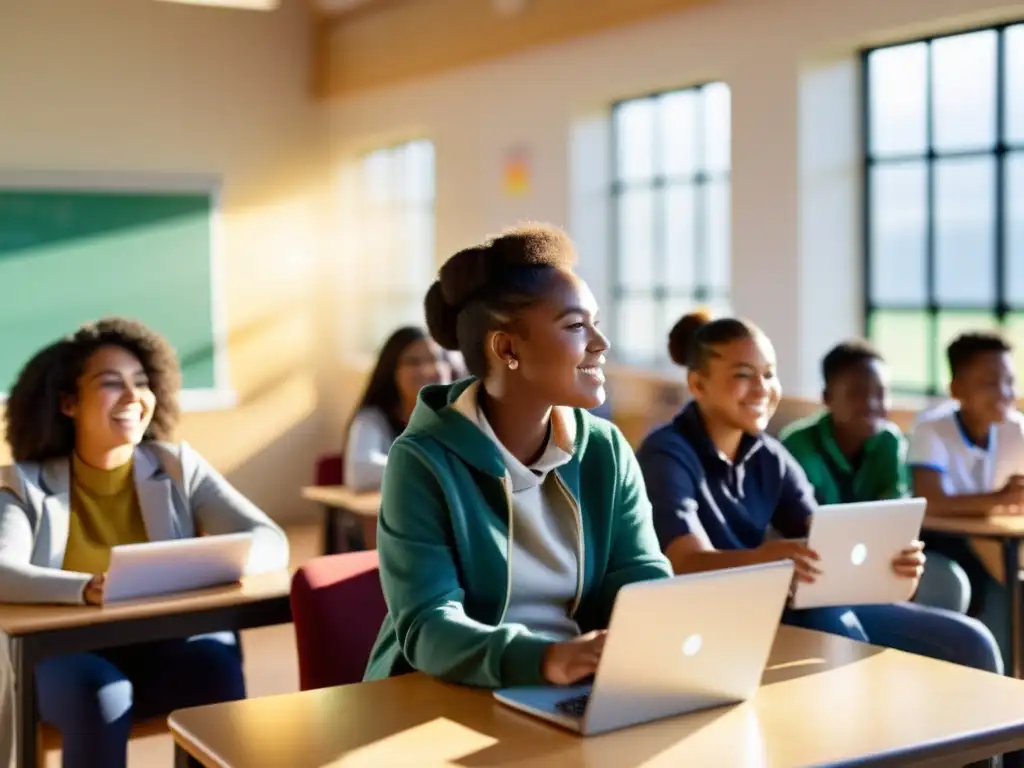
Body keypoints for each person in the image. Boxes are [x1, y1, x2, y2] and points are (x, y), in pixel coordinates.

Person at [363, 224, 672, 688]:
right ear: (507, 348)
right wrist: (545, 659)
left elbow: (639, 571)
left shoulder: (606, 449)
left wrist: (656, 630)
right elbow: (428, 625)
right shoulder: (423, 460)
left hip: (577, 683)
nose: (599, 344)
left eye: (596, 322)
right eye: (574, 326)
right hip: (444, 691)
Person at [635, 311, 1002, 674]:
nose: (762, 388)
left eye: (769, 374)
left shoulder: (769, 456)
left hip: (789, 602)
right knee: (843, 636)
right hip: (712, 622)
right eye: (743, 376)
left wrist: (888, 565)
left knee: (973, 642)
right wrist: (767, 559)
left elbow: (825, 537)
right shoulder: (666, 454)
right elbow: (684, 563)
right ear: (698, 385)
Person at [0, 318, 290, 768]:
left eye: (142, 383)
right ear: (68, 402)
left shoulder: (178, 467)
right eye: (112, 384)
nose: (134, 398)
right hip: (59, 657)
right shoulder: (23, 484)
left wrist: (212, 565)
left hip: (159, 644)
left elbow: (271, 540)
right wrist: (82, 588)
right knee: (101, 695)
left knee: (214, 669)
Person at [779, 340, 971, 613]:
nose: (871, 404)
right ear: (827, 397)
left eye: (881, 393)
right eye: (857, 393)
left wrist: (900, 552)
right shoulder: (797, 445)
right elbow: (807, 527)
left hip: (878, 563)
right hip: (819, 572)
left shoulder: (889, 441)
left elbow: (893, 519)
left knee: (949, 582)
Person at [909, 331, 1024, 662]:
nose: (1004, 393)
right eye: (990, 383)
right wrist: (998, 499)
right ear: (956, 390)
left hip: (996, 548)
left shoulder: (1015, 429)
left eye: (1009, 381)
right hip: (941, 543)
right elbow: (930, 501)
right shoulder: (932, 428)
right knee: (958, 587)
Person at [343, 326, 453, 492]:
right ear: (392, 371)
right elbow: (360, 472)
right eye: (414, 362)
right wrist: (431, 468)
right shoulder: (373, 419)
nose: (427, 370)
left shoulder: (462, 419)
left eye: (436, 359)